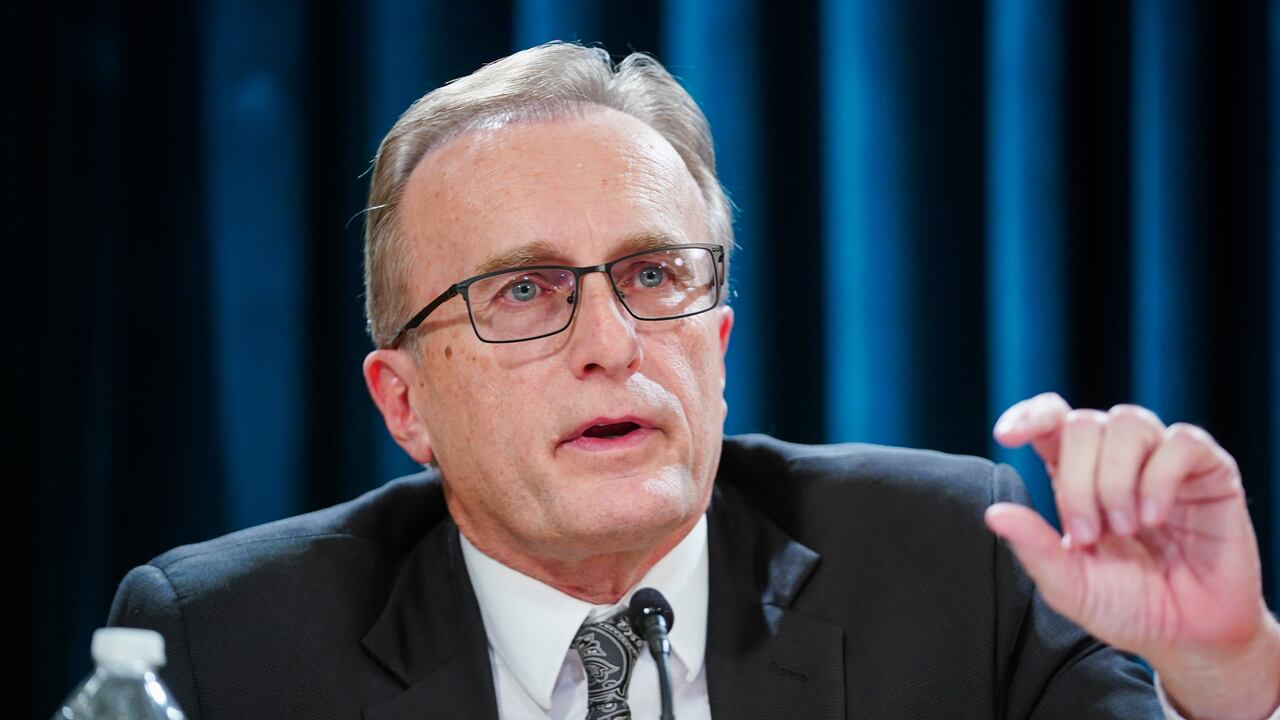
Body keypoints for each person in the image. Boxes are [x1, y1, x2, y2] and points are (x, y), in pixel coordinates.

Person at [108, 42, 1280, 719]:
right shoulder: (222, 650)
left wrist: (1225, 674)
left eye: (652, 274)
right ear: (402, 402)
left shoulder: (960, 563)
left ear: (716, 349)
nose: (611, 340)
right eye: (521, 292)